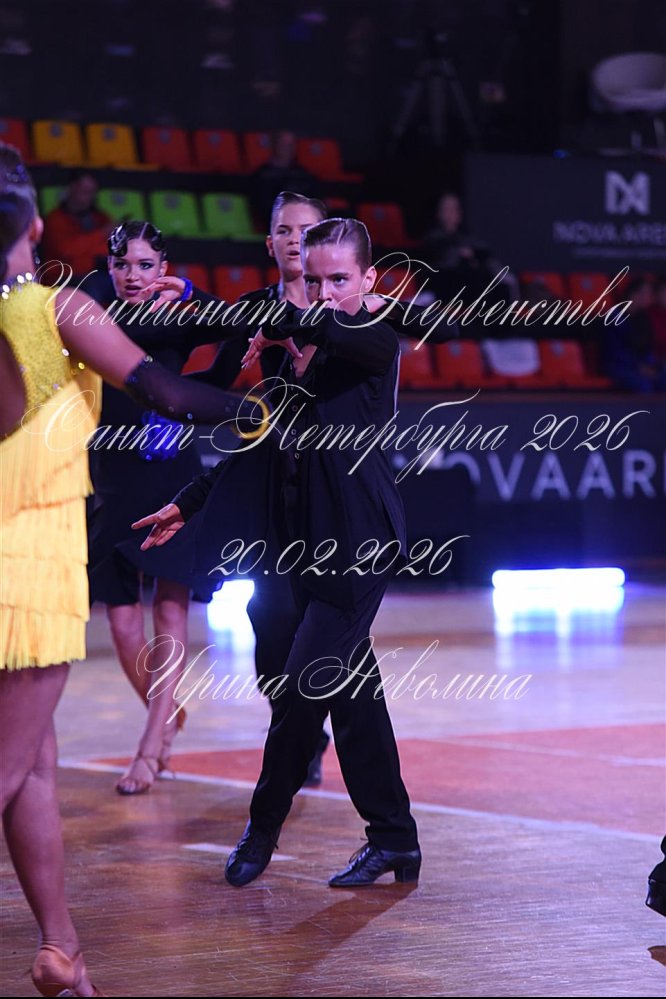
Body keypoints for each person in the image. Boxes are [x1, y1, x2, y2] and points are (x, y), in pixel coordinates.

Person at [0, 142, 266, 995]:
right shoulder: (58, 309)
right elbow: (170, 392)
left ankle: (62, 949)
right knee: (9, 768)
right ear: (35, 227)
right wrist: (263, 412)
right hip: (30, 565)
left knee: (34, 768)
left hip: (39, 544)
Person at [135, 218, 422, 888]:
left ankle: (261, 829)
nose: (325, 292)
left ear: (368, 279)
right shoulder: (295, 356)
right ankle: (395, 839)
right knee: (354, 696)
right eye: (314, 280)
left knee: (300, 690)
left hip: (357, 546)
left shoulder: (374, 336)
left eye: (340, 279)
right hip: (298, 547)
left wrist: (272, 318)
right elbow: (255, 447)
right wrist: (189, 501)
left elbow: (334, 329)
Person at [87, 220, 235, 796]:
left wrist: (192, 292)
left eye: (146, 265)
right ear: (110, 267)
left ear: (164, 268)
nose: (133, 275)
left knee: (170, 613)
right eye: (122, 264)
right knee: (122, 624)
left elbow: (235, 322)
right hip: (113, 483)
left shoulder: (178, 315)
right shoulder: (93, 316)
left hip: (174, 481)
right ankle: (167, 712)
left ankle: (151, 748)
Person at [40, 170, 113, 278]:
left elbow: (110, 249)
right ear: (72, 188)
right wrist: (102, 233)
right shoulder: (56, 219)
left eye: (92, 191)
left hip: (97, 272)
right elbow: (66, 250)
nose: (88, 195)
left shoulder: (100, 217)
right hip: (63, 276)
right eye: (84, 190)